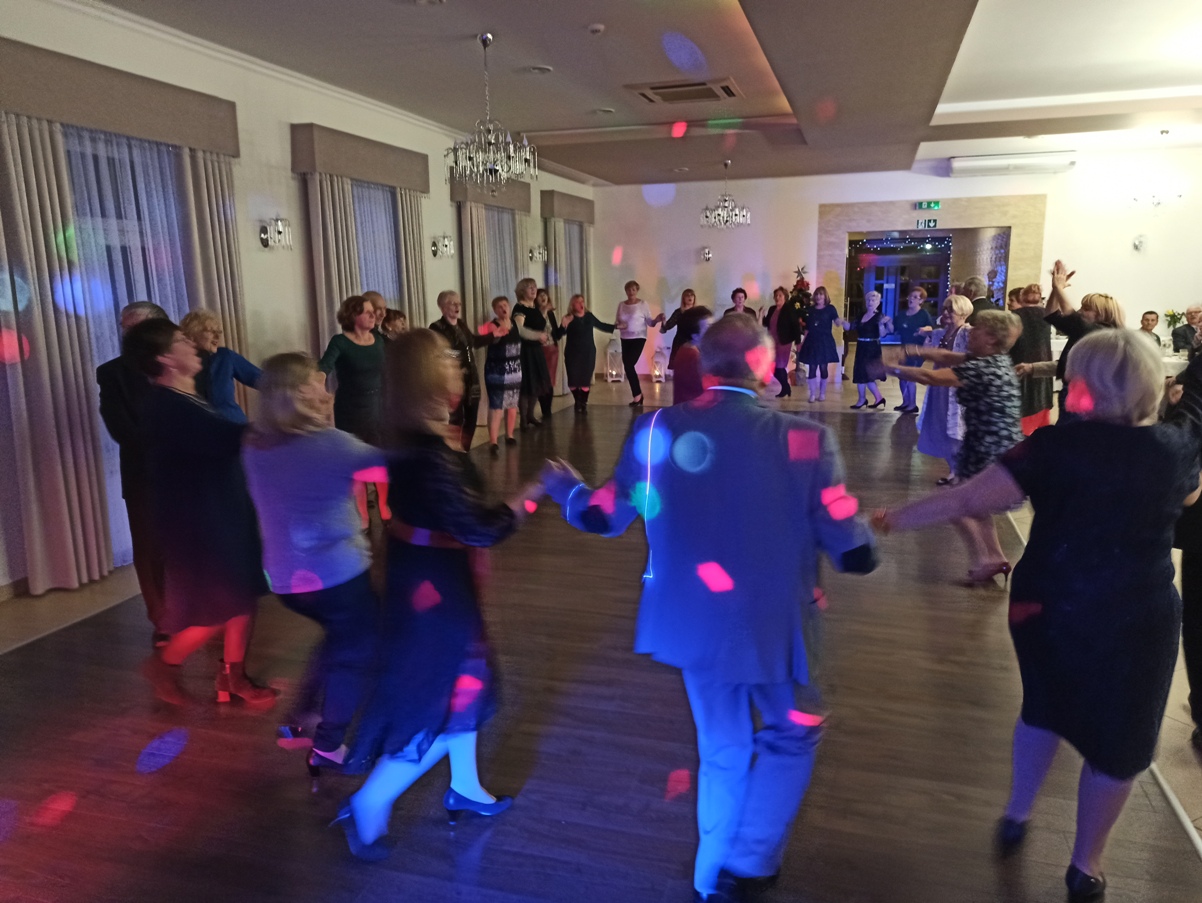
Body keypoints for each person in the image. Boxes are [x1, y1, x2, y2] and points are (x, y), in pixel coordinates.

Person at [542, 314, 878, 903]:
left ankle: (710, 876)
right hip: (775, 629)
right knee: (792, 732)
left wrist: (564, 488)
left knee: (722, 746)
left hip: (691, 623)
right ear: (765, 367)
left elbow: (604, 516)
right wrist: (866, 532)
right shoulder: (804, 439)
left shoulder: (655, 429)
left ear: (703, 363)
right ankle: (750, 861)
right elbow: (852, 553)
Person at [874, 329, 1202, 902]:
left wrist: (896, 519)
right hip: (1138, 615)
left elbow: (970, 499)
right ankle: (1086, 865)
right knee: (1123, 741)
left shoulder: (1051, 447)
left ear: (1084, 387)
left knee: (1043, 708)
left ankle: (1018, 813)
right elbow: (1191, 493)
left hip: (1049, 604)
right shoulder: (1175, 449)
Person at [336, 328, 547, 861]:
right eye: (446, 358)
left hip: (427, 581)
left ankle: (466, 786)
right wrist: (535, 490)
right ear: (424, 377)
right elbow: (481, 528)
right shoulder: (429, 453)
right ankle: (370, 802)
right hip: (434, 593)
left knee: (461, 684)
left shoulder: (417, 441)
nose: (456, 362)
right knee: (448, 692)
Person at [242, 353, 384, 771]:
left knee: (339, 638)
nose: (325, 383)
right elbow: (395, 469)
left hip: (288, 580)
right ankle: (328, 744)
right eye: (316, 380)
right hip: (337, 576)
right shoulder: (332, 445)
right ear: (300, 392)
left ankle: (301, 716)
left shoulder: (255, 444)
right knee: (356, 652)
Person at [124, 318, 275, 708]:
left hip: (222, 513)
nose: (191, 344)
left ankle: (233, 676)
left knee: (243, 597)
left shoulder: (186, 398)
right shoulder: (167, 405)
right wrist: (284, 420)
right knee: (221, 608)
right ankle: (165, 664)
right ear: (165, 358)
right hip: (202, 526)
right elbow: (229, 439)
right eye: (181, 340)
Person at [887, 309, 1023, 583]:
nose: (971, 331)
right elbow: (947, 356)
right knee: (976, 505)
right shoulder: (994, 360)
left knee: (957, 503)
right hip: (993, 444)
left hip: (989, 447)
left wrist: (891, 368)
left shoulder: (984, 368)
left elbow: (931, 377)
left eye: (978, 329)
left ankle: (986, 559)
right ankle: (994, 558)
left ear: (991, 339)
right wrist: (913, 349)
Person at [97, 300, 170, 643]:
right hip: (144, 472)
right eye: (124, 328)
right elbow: (120, 428)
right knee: (149, 548)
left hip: (192, 471)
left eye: (134, 327)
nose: (127, 334)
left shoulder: (187, 362)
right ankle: (162, 620)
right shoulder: (112, 372)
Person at [319, 295, 389, 527]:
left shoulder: (378, 340)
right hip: (350, 411)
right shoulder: (340, 342)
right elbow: (324, 367)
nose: (373, 315)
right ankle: (363, 515)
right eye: (367, 312)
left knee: (379, 461)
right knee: (356, 465)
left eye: (373, 311)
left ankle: (384, 506)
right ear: (352, 316)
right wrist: (317, 385)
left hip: (377, 409)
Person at [1037, 261, 1124, 419]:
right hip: (1075, 389)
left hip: (1086, 393)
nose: (1080, 311)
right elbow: (1050, 314)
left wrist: (1059, 287)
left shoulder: (1101, 333)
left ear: (1102, 313)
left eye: (1086, 308)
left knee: (1071, 429)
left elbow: (1072, 316)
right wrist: (1056, 290)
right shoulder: (1084, 329)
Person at [916, 295, 973, 484]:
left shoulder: (968, 333)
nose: (946, 312)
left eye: (951, 309)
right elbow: (929, 353)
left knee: (959, 430)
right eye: (945, 308)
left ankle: (963, 472)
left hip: (958, 388)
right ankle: (953, 471)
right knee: (942, 426)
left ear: (962, 312)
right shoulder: (940, 333)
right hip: (939, 387)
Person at [430, 290, 493, 451]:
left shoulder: (461, 324)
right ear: (443, 307)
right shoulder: (436, 327)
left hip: (471, 378)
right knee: (455, 418)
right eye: (453, 303)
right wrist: (460, 359)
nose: (457, 306)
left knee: (472, 417)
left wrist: (493, 336)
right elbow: (443, 352)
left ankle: (464, 450)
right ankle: (453, 452)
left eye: (459, 303)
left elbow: (472, 342)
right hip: (452, 378)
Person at [180, 309, 260, 424]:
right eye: (211, 331)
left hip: (231, 425)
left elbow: (263, 380)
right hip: (197, 427)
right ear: (192, 334)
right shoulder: (180, 362)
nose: (217, 336)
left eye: (219, 332)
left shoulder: (225, 356)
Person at [558, 293, 615, 414]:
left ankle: (583, 403)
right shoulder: (569, 318)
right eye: (577, 302)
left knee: (585, 381)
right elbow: (558, 335)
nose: (581, 304)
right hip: (572, 354)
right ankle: (577, 401)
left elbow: (602, 325)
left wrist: (617, 327)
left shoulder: (589, 316)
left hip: (588, 353)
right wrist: (563, 325)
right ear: (572, 305)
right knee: (573, 380)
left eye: (582, 301)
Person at [1009, 284, 1054, 434]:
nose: (1009, 304)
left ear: (1021, 299)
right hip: (1042, 374)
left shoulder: (1015, 317)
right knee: (1041, 425)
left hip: (1020, 372)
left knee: (1021, 429)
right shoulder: (1046, 315)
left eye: (1012, 300)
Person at [614, 280, 663, 407]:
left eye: (633, 289)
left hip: (639, 337)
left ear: (637, 291)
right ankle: (637, 396)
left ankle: (638, 395)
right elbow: (617, 322)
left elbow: (650, 322)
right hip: (625, 338)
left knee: (629, 363)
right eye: (628, 290)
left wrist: (657, 319)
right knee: (628, 366)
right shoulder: (621, 305)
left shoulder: (642, 304)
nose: (631, 292)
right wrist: (619, 325)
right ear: (625, 291)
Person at [512, 278, 553, 428]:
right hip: (525, 351)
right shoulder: (519, 308)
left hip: (536, 350)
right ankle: (523, 418)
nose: (534, 290)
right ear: (522, 291)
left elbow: (539, 325)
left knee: (536, 384)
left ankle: (531, 415)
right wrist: (538, 336)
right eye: (530, 287)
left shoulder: (534, 308)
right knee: (526, 385)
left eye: (534, 287)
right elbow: (519, 330)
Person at [483, 296, 521, 455]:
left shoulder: (515, 324)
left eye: (505, 305)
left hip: (514, 370)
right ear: (495, 310)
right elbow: (489, 339)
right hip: (496, 371)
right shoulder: (492, 325)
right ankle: (493, 441)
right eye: (499, 306)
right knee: (496, 405)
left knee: (512, 404)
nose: (503, 308)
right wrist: (497, 334)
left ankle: (509, 435)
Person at [847, 291, 892, 409]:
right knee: (861, 374)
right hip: (861, 346)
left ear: (878, 302)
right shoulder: (861, 315)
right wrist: (841, 322)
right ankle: (875, 398)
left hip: (872, 348)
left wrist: (881, 325)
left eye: (873, 300)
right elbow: (851, 327)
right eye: (868, 300)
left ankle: (866, 399)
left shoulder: (879, 316)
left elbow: (883, 334)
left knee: (866, 374)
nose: (870, 302)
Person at [892, 288, 934, 413]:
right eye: (910, 296)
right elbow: (893, 329)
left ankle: (912, 405)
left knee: (910, 376)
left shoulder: (923, 314)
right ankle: (905, 402)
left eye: (915, 297)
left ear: (921, 301)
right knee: (901, 376)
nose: (911, 299)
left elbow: (931, 329)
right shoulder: (902, 315)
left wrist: (925, 330)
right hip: (903, 349)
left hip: (917, 350)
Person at [796, 286, 840, 403]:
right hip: (812, 341)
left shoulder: (830, 309)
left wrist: (841, 322)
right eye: (816, 294)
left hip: (825, 341)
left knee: (823, 367)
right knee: (812, 367)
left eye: (821, 294)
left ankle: (822, 393)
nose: (818, 296)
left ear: (825, 296)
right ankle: (812, 394)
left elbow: (837, 321)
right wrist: (802, 343)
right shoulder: (810, 310)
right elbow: (807, 329)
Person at [762, 286, 803, 398]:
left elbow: (795, 326)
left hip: (783, 342)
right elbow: (766, 323)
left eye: (780, 295)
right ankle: (786, 388)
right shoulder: (772, 309)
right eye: (776, 296)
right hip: (772, 342)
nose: (777, 297)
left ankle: (785, 388)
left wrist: (798, 342)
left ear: (785, 297)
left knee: (779, 367)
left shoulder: (789, 309)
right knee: (772, 367)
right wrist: (761, 315)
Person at [661, 289, 712, 369]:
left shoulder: (698, 312)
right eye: (687, 295)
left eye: (692, 295)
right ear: (683, 298)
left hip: (695, 341)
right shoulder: (679, 312)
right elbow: (668, 326)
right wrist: (663, 320)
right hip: (680, 342)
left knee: (696, 366)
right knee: (680, 366)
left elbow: (704, 326)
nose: (690, 297)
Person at [535, 288, 561, 420]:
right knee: (541, 380)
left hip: (552, 350)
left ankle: (548, 411)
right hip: (539, 350)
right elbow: (537, 328)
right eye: (540, 295)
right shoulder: (533, 314)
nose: (543, 297)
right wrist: (544, 312)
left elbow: (557, 333)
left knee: (550, 380)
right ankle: (543, 407)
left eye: (544, 295)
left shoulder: (551, 314)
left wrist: (564, 326)